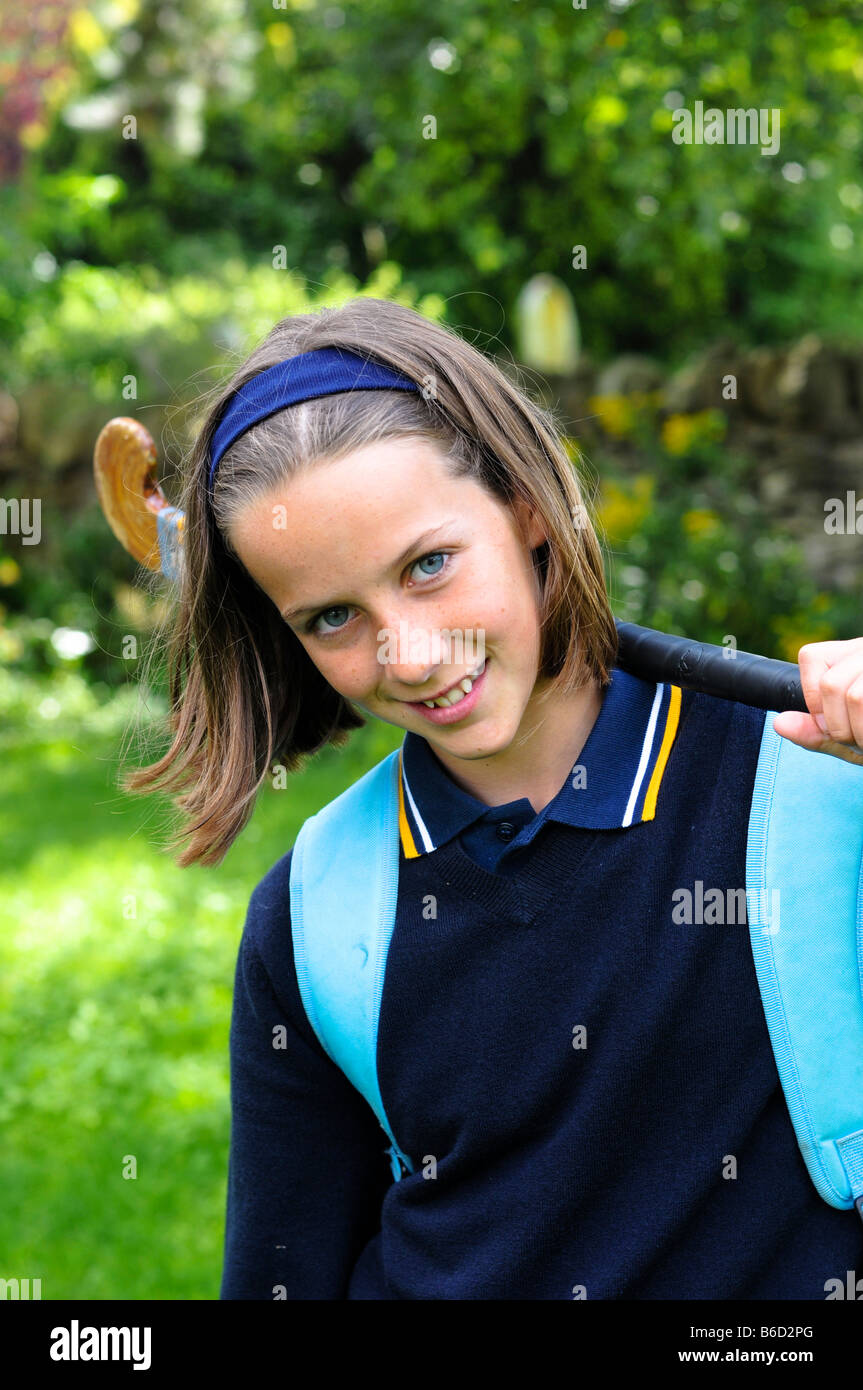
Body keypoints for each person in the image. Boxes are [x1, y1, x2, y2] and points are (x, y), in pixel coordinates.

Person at [124, 297, 863, 1299]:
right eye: (332, 615)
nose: (411, 654)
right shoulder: (319, 913)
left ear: (524, 506)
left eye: (429, 565)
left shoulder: (817, 793)